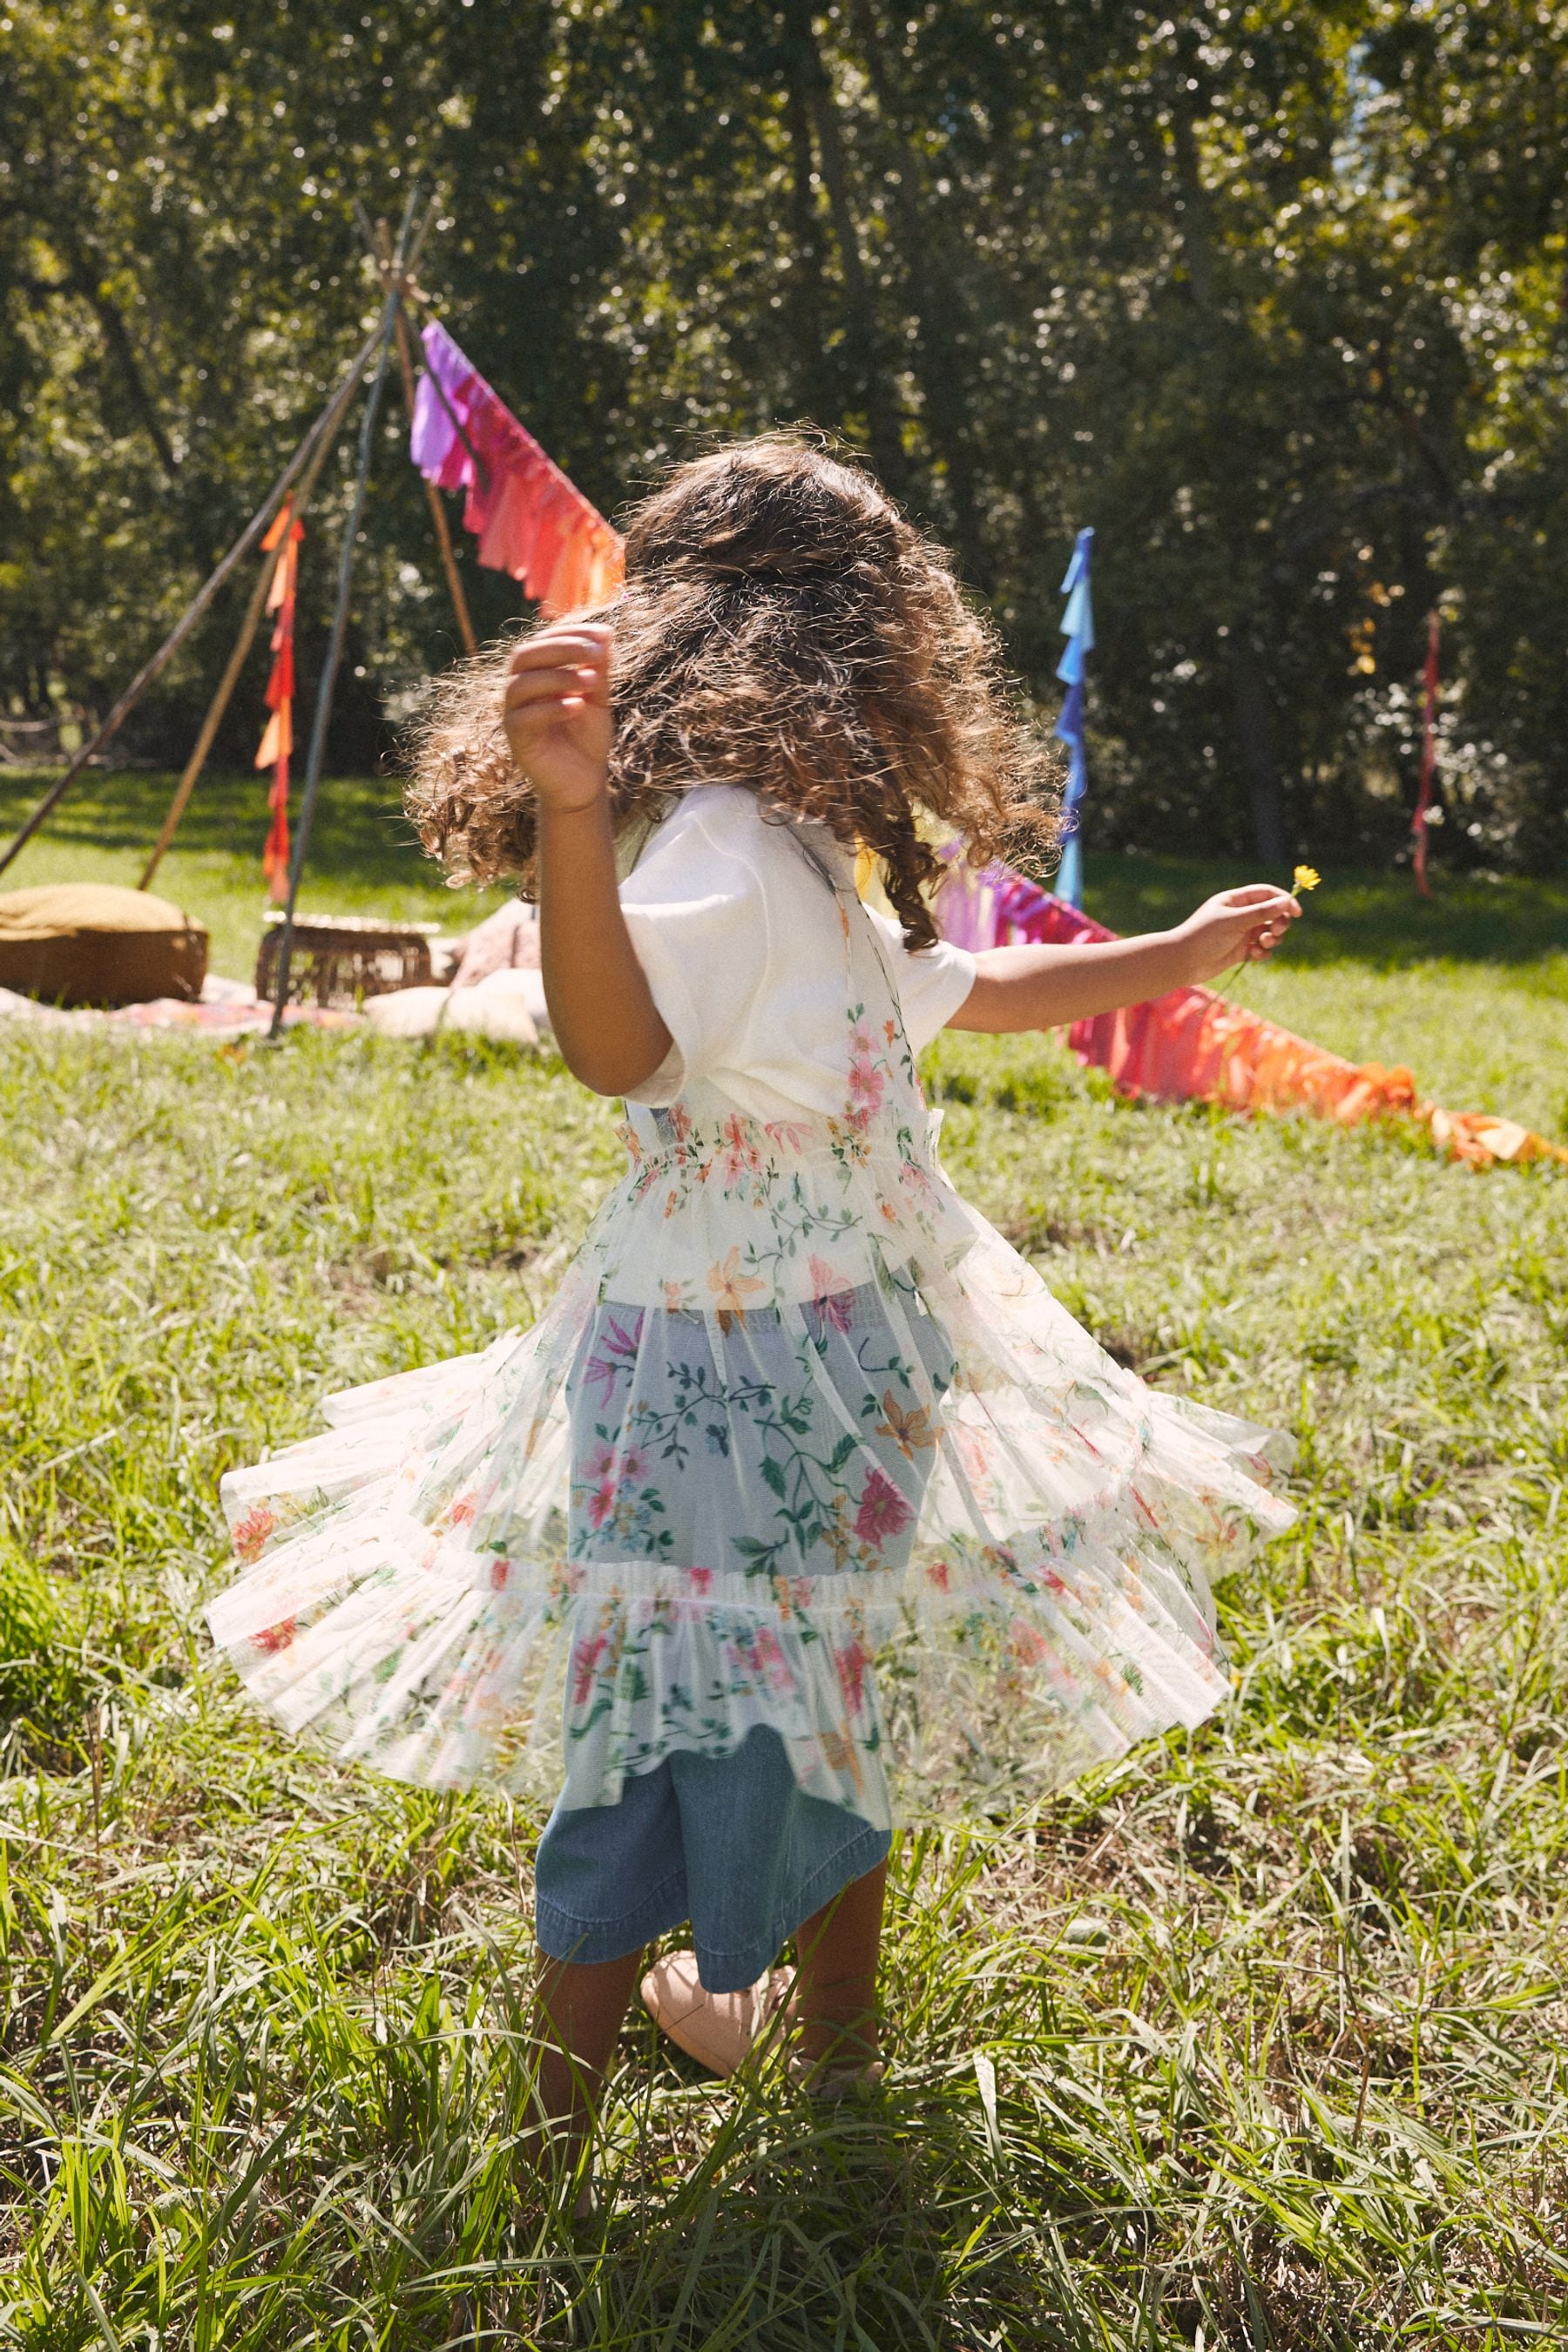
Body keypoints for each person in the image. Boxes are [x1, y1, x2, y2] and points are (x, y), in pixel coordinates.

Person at [208, 436, 1298, 2188]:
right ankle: (559, 2149)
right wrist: (572, 818)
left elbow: (970, 986)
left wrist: (1166, 958)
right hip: (725, 1376)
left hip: (843, 1361)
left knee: (815, 1719)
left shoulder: (804, 852)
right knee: (667, 1728)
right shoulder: (715, 849)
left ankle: (822, 2067)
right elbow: (619, 1048)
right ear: (852, 641)